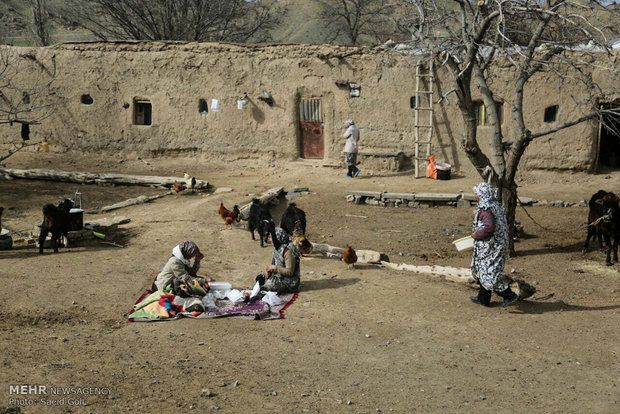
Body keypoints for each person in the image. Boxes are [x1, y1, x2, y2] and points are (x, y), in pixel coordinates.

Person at [470, 183, 519, 308]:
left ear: (481, 195)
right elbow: (504, 221)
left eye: (476, 193)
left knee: (490, 273)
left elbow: (489, 227)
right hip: (498, 244)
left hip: (491, 246)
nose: (475, 195)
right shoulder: (496, 205)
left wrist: (477, 234)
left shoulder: (485, 208)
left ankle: (509, 295)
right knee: (484, 270)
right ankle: (483, 298)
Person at [255, 228, 301, 294]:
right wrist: (268, 271)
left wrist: (274, 268)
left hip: (289, 282)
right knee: (259, 278)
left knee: (267, 285)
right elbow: (273, 263)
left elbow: (290, 272)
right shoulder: (277, 248)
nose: (270, 240)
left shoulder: (288, 251)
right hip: (279, 276)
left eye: (272, 237)